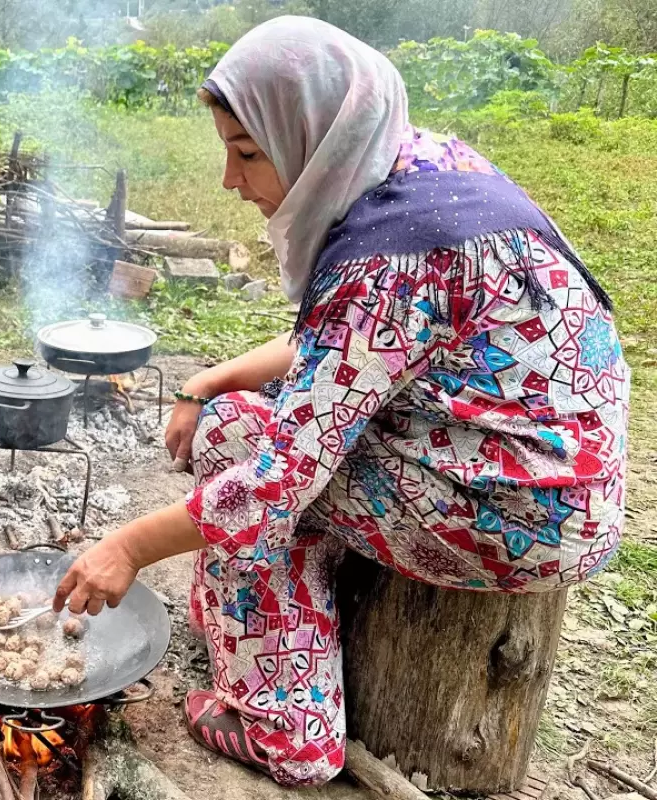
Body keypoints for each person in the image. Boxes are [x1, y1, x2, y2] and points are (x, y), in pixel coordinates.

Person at [51, 15, 628, 788]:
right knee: (253, 424)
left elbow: (272, 483)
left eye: (248, 152)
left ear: (315, 135)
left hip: (517, 514)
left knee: (241, 453)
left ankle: (285, 728)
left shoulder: (388, 255)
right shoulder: (422, 169)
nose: (231, 179)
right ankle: (280, 619)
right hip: (561, 477)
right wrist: (209, 376)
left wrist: (124, 548)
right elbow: (354, 351)